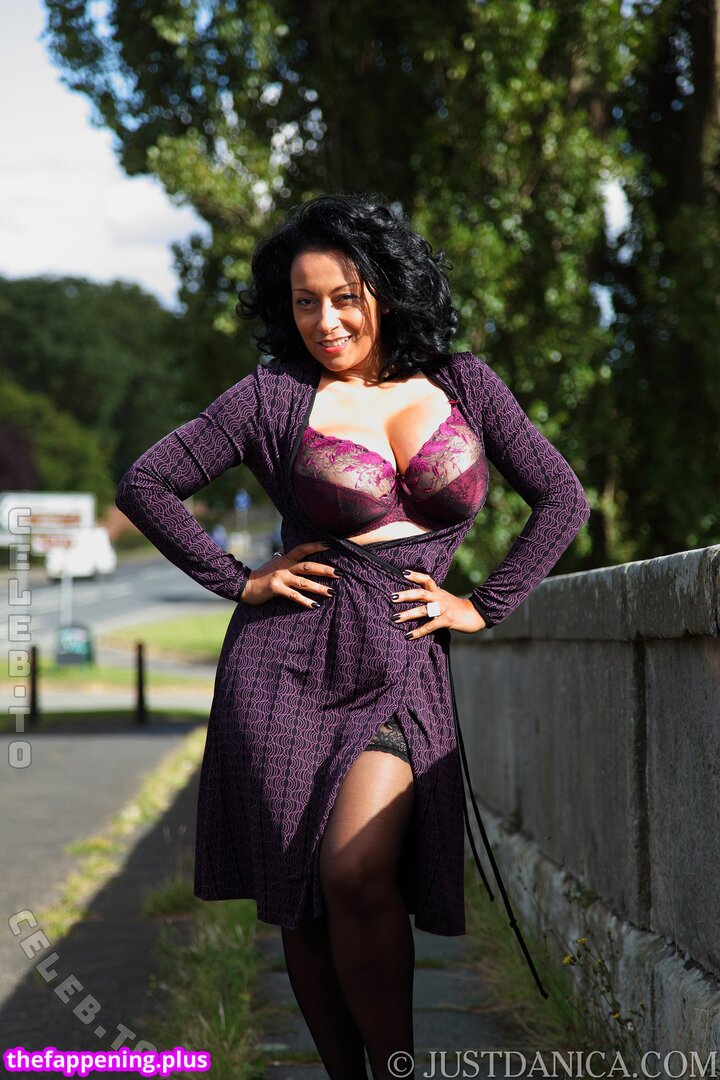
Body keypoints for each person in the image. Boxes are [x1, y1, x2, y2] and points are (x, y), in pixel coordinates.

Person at [115, 192, 590, 1078]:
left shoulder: (463, 383)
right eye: (305, 302)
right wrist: (239, 579)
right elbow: (146, 483)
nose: (326, 321)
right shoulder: (271, 396)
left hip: (403, 666)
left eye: (346, 296)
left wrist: (484, 604)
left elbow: (562, 498)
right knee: (304, 889)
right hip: (287, 666)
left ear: (388, 289)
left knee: (357, 872)